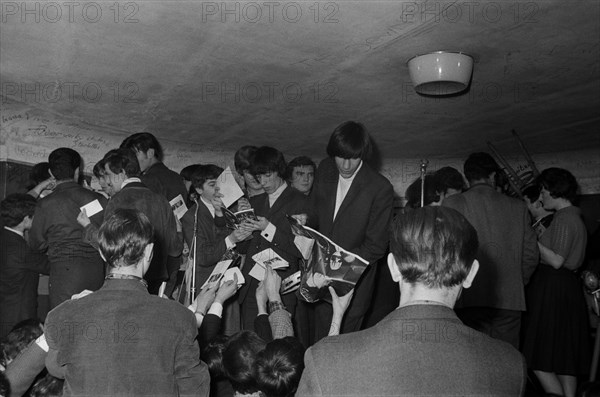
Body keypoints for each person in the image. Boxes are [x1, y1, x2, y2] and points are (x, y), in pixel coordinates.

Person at [296, 206, 527, 396]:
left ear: (393, 268)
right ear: (471, 273)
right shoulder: (510, 364)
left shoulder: (327, 359)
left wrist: (336, 323)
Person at [45, 208, 210, 396]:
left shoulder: (62, 314)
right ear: (149, 251)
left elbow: (56, 368)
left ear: (102, 252)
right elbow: (194, 388)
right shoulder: (180, 318)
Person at [308, 121, 394, 342]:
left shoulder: (380, 188)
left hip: (353, 286)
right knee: (319, 345)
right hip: (319, 281)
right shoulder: (326, 168)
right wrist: (304, 220)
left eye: (353, 158)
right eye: (340, 157)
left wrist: (333, 267)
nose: (346, 165)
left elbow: (376, 247)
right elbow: (316, 215)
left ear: (363, 155)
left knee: (343, 350)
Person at [442, 152, 539, 348]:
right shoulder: (518, 206)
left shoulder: (453, 203)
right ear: (493, 176)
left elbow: (446, 251)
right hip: (510, 300)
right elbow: (531, 255)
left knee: (474, 360)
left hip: (468, 298)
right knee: (507, 362)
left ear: (467, 177)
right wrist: (516, 281)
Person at [521, 168, 591, 397]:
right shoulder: (574, 215)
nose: (540, 197)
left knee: (539, 359)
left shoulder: (564, 217)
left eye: (542, 190)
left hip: (554, 289)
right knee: (563, 358)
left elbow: (557, 260)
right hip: (565, 289)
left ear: (553, 190)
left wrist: (529, 237)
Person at [78, 148, 182, 295]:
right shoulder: (161, 200)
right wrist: (179, 231)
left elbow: (110, 246)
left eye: (108, 174)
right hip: (157, 281)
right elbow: (175, 249)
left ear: (121, 173)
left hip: (127, 281)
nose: (106, 181)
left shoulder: (117, 200)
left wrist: (87, 227)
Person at [237, 147, 309, 330]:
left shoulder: (300, 202)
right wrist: (242, 232)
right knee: (250, 348)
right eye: (259, 177)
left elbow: (301, 249)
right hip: (252, 286)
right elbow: (244, 249)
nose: (263, 182)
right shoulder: (255, 202)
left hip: (282, 287)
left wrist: (268, 228)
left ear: (280, 171)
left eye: (268, 175)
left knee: (278, 345)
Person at [28, 148, 107, 309]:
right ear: (78, 170)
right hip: (96, 272)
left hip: (64, 273)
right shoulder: (98, 200)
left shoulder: (44, 205)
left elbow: (36, 245)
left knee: (64, 323)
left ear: (51, 172)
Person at [181, 164, 251, 291]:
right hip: (206, 283)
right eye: (213, 185)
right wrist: (230, 240)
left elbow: (245, 248)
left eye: (221, 184)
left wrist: (243, 218)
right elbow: (202, 257)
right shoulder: (191, 216)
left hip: (230, 279)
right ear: (199, 189)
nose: (219, 189)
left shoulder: (232, 208)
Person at [0, 194, 49, 337]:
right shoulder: (19, 249)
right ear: (26, 219)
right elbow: (49, 266)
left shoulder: (5, 237)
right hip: (17, 315)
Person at [120, 132, 188, 202]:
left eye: (134, 155)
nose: (131, 161)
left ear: (150, 153)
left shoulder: (146, 181)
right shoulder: (176, 177)